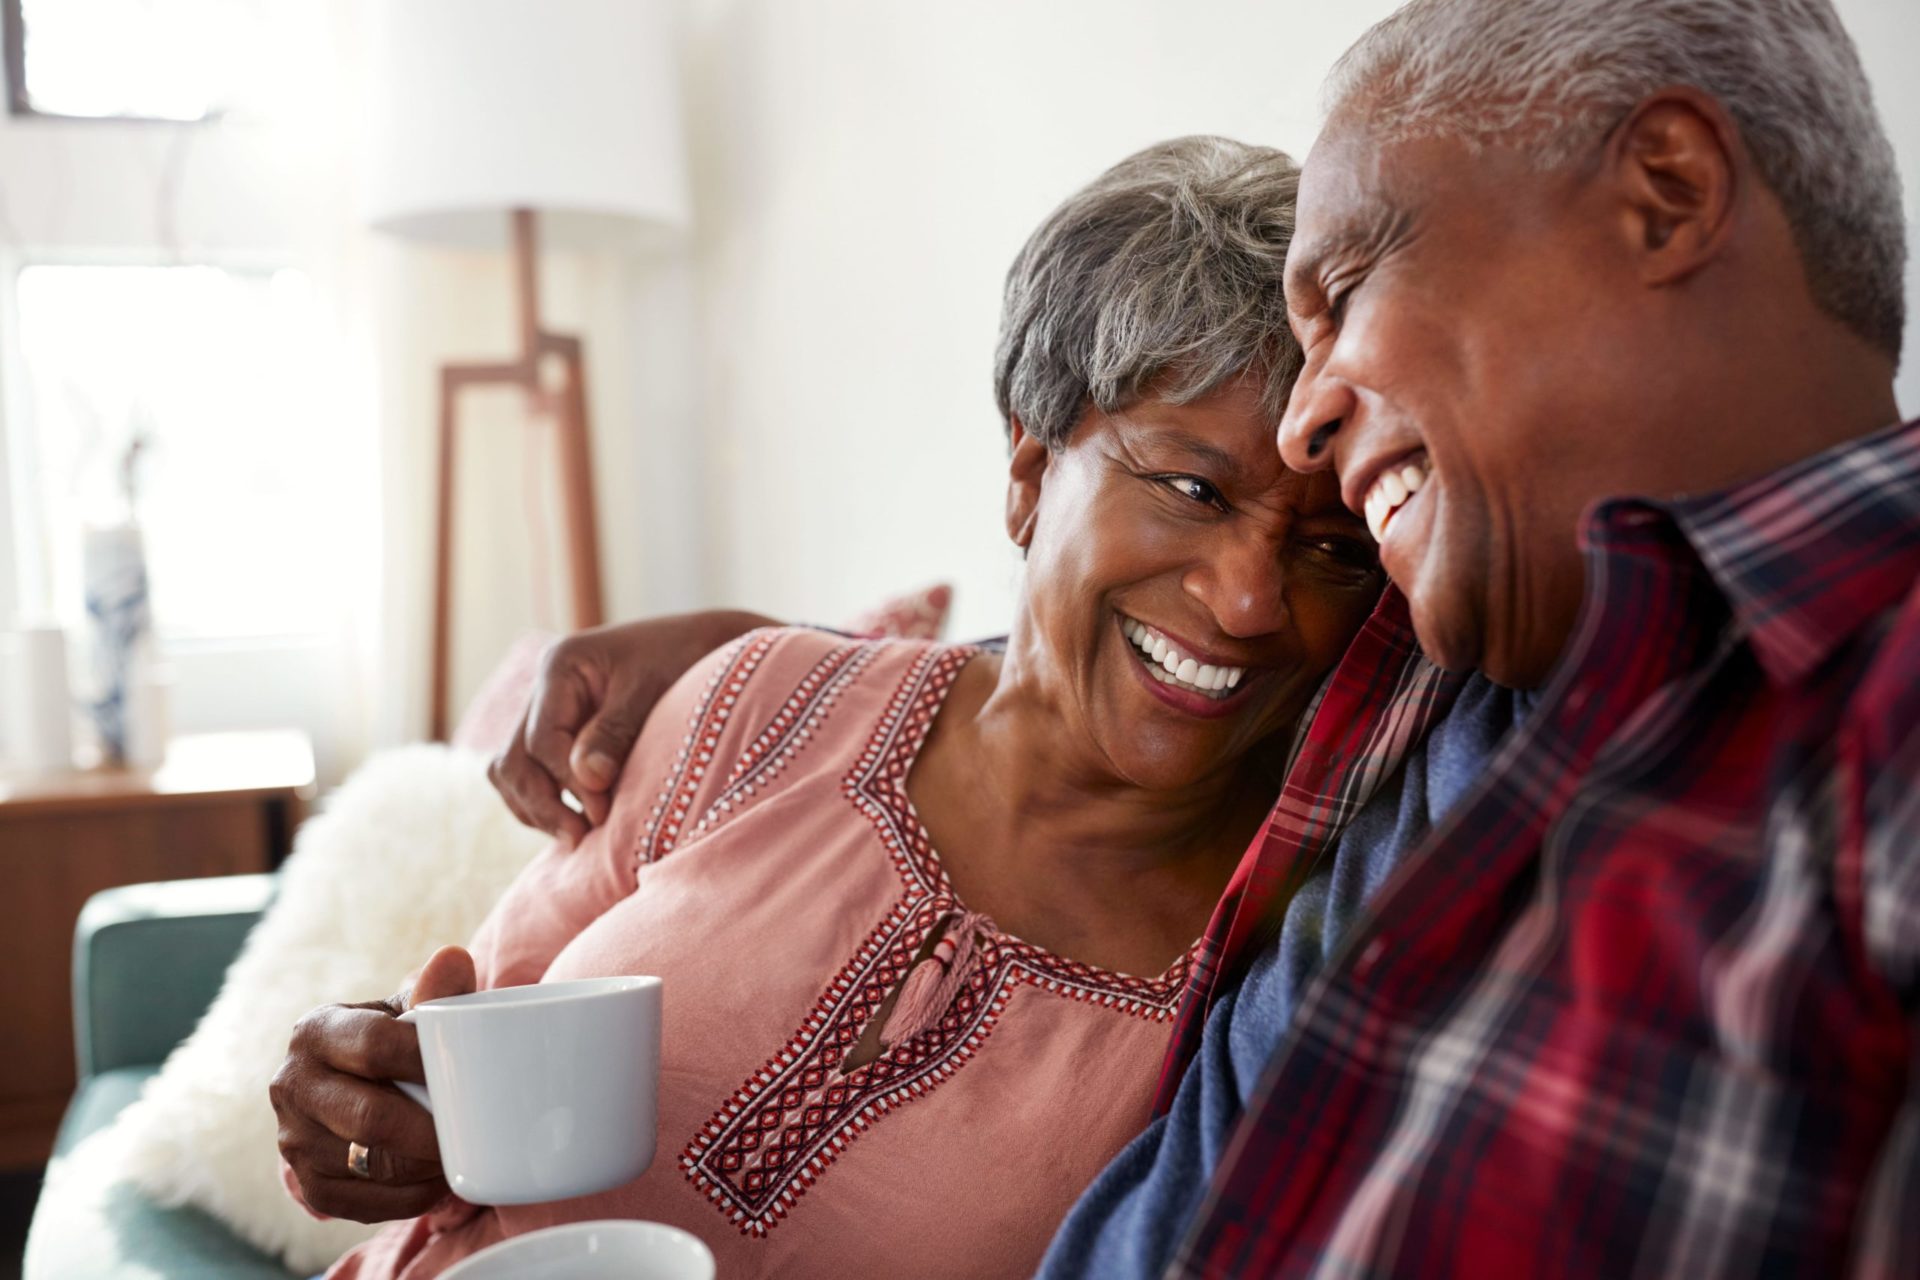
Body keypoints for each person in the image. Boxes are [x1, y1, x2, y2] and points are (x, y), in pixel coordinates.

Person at [504, 1, 1920, 1275]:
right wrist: (744, 671)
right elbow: (1043, 694)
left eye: (1348, 284)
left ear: (1665, 194)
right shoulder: (1447, 685)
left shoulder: (1856, 725)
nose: (1311, 420)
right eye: (1194, 481)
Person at [271, 137, 1391, 1280]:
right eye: (1192, 489)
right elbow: (452, 1044)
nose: (1253, 599)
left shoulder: (1271, 976)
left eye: (1332, 547)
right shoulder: (759, 700)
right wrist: (361, 1103)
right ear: (1029, 466)